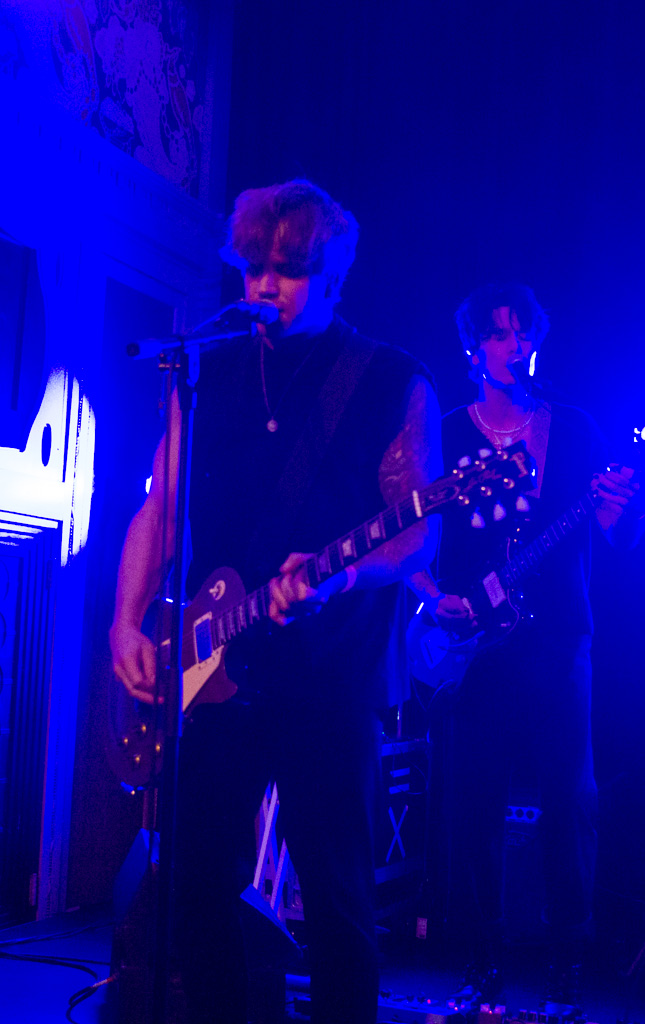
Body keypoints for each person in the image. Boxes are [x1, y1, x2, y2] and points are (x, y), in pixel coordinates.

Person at [109, 179, 441, 1024]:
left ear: (332, 276)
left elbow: (418, 536)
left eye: (288, 270)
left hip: (332, 677)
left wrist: (343, 577)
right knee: (194, 890)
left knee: (337, 904)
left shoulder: (390, 379)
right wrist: (125, 622)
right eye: (254, 267)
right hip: (214, 668)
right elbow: (160, 504)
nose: (264, 286)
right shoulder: (207, 371)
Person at [408, 282, 643, 1007]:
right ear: (474, 347)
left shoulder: (573, 429)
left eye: (525, 333)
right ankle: (480, 963)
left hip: (560, 641)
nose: (517, 346)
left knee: (570, 801)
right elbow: (409, 536)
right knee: (471, 804)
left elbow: (619, 537)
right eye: (501, 334)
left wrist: (621, 515)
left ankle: (567, 963)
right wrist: (432, 598)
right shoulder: (447, 433)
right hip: (473, 646)